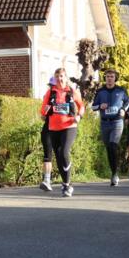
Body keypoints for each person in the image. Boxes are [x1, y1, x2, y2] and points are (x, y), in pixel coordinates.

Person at [39, 68, 85, 197]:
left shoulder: (71, 91)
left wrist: (79, 116)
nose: (60, 79)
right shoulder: (50, 92)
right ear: (55, 78)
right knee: (58, 157)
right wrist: (44, 112)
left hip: (69, 126)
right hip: (53, 128)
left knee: (64, 152)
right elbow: (43, 108)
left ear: (66, 78)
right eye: (58, 76)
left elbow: (81, 105)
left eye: (62, 76)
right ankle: (66, 184)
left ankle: (67, 182)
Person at [91, 69, 129, 186]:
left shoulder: (121, 90)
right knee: (109, 148)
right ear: (105, 78)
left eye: (112, 76)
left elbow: (127, 102)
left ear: (115, 78)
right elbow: (93, 107)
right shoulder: (100, 91)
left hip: (117, 122)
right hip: (104, 122)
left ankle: (114, 174)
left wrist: (123, 109)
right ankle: (114, 172)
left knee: (113, 145)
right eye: (107, 76)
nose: (109, 78)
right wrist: (99, 106)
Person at [39, 75, 56, 192]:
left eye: (53, 86)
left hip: (62, 129)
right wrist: (47, 111)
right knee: (47, 156)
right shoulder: (47, 95)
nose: (52, 88)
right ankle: (47, 180)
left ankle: (66, 180)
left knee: (62, 156)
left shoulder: (67, 95)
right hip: (48, 128)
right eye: (50, 86)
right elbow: (42, 116)